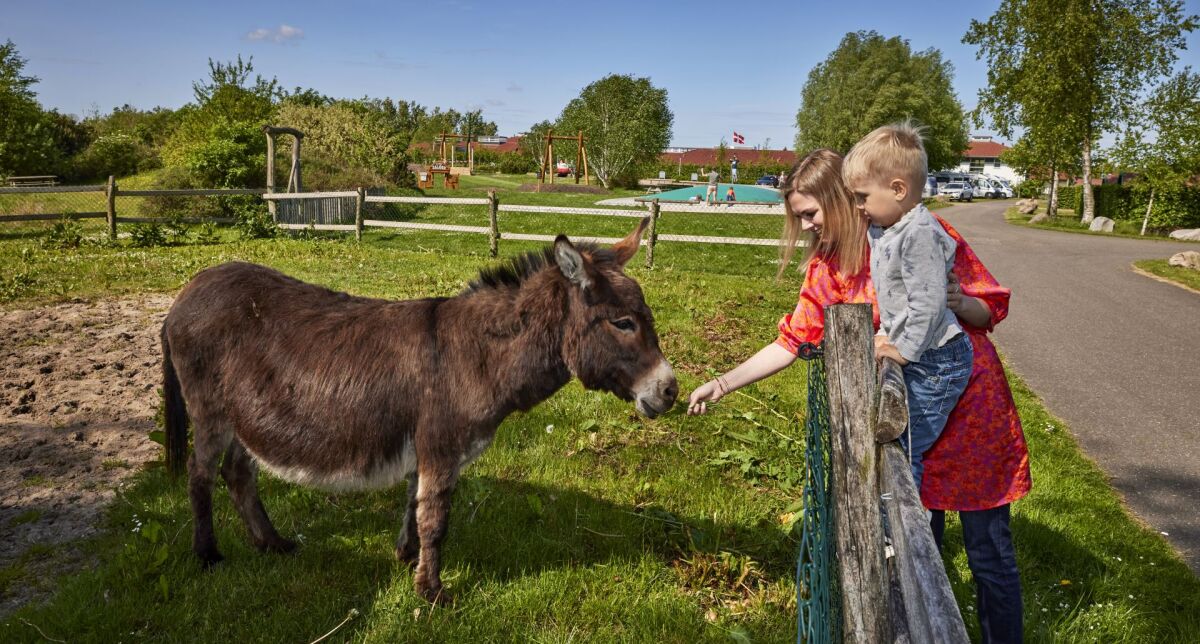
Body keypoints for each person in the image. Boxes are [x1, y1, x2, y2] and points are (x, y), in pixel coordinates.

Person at [687, 147, 1031, 643]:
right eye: (799, 217)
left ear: (843, 199)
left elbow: (988, 310)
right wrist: (722, 384)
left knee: (988, 552)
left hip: (969, 409)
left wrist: (958, 301)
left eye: (810, 213)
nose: (806, 226)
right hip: (905, 410)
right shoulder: (828, 270)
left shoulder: (915, 233)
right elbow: (792, 342)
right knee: (916, 542)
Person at [842, 121, 972, 494]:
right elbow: (894, 296)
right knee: (891, 434)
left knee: (904, 442)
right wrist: (888, 334)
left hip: (938, 360)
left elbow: (928, 304)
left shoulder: (919, 234)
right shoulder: (888, 230)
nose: (859, 206)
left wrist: (903, 350)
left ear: (898, 189)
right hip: (922, 353)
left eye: (863, 197)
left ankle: (900, 523)